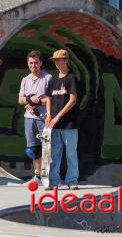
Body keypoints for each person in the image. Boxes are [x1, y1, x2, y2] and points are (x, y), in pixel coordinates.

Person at [45, 49, 79, 190]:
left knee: (71, 152)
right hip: (54, 123)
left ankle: (72, 181)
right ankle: (53, 181)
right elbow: (48, 98)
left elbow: (73, 100)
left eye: (59, 60)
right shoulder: (53, 79)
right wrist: (48, 115)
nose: (57, 63)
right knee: (55, 153)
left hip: (69, 123)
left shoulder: (71, 78)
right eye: (55, 60)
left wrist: (58, 116)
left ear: (66, 60)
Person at [18, 51, 52, 184]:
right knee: (33, 150)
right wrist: (28, 99)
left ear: (41, 63)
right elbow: (20, 100)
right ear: (28, 64)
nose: (33, 65)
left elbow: (51, 99)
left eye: (36, 63)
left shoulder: (47, 78)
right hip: (29, 118)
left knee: (47, 148)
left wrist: (35, 102)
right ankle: (37, 177)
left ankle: (48, 176)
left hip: (43, 119)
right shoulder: (25, 80)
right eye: (31, 63)